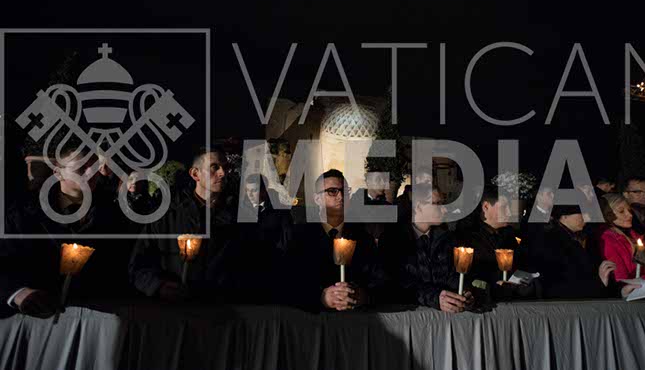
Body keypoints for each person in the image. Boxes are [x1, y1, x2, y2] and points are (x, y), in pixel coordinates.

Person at [1, 144, 136, 318]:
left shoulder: (112, 215)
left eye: (94, 167)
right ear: (58, 173)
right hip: (30, 317)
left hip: (94, 317)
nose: (90, 173)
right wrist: (19, 294)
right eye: (81, 168)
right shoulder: (25, 213)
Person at [129, 147, 278, 303]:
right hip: (174, 309)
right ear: (195, 174)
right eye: (214, 167)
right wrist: (159, 286)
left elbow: (257, 264)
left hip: (223, 309)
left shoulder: (240, 217)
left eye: (225, 167)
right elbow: (139, 265)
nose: (223, 173)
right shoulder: (167, 215)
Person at [283, 169, 382, 311]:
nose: (341, 197)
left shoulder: (363, 237)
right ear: (317, 199)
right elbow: (287, 282)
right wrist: (321, 297)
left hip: (356, 319)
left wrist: (362, 296)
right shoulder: (298, 237)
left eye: (344, 191)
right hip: (312, 319)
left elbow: (380, 280)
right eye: (332, 191)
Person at [378, 184, 475, 312]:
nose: (444, 209)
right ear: (418, 207)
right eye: (437, 204)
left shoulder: (447, 239)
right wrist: (435, 298)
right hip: (408, 316)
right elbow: (396, 285)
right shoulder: (393, 240)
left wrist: (464, 291)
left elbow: (453, 276)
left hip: (445, 315)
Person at [524, 205, 636, 298]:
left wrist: (620, 291)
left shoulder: (572, 239)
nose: (587, 218)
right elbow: (558, 285)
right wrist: (599, 283)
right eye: (581, 213)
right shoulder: (551, 243)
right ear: (564, 216)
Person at [456, 185, 536, 300]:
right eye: (504, 207)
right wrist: (492, 287)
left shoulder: (509, 236)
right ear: (486, 206)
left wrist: (523, 285)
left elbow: (522, 266)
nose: (509, 212)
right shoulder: (465, 238)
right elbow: (463, 279)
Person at [348, 171, 391, 241]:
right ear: (368, 182)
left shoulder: (388, 207)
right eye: (378, 180)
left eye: (384, 180)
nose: (383, 183)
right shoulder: (353, 205)